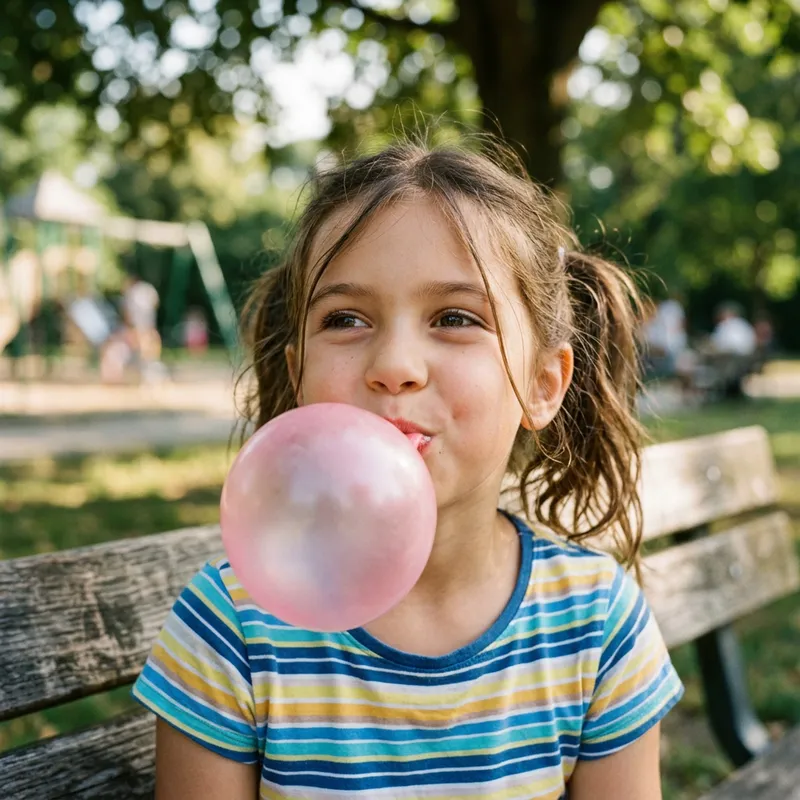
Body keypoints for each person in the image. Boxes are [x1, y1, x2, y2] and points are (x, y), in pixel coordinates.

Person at [132, 140, 683, 799]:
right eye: (345, 318)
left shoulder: (595, 624)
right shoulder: (232, 629)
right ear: (298, 376)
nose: (394, 364)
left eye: (454, 317)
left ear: (543, 383)